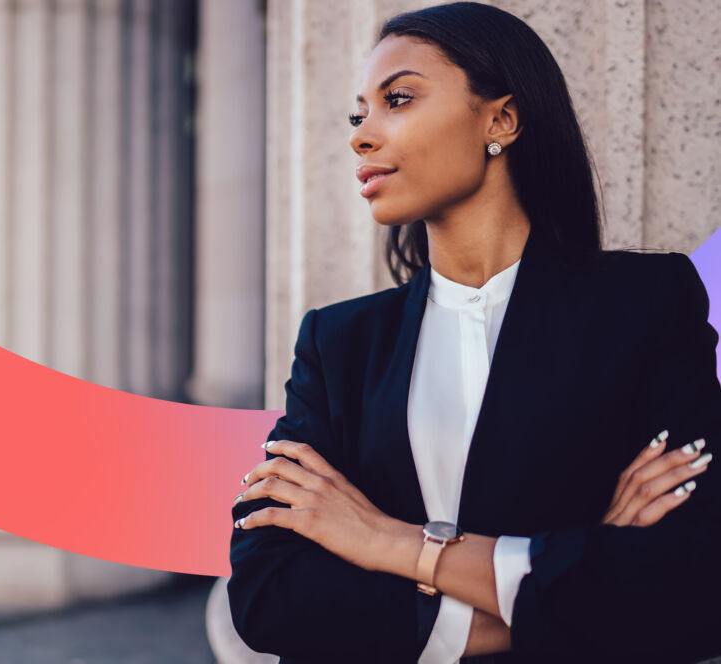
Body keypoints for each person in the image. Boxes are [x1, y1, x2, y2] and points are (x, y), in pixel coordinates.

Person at [227, 3, 721, 663]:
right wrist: (568, 578)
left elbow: (694, 583)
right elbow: (269, 594)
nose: (361, 136)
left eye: (397, 99)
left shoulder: (644, 305)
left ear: (501, 120)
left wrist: (383, 541)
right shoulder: (339, 342)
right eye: (358, 113)